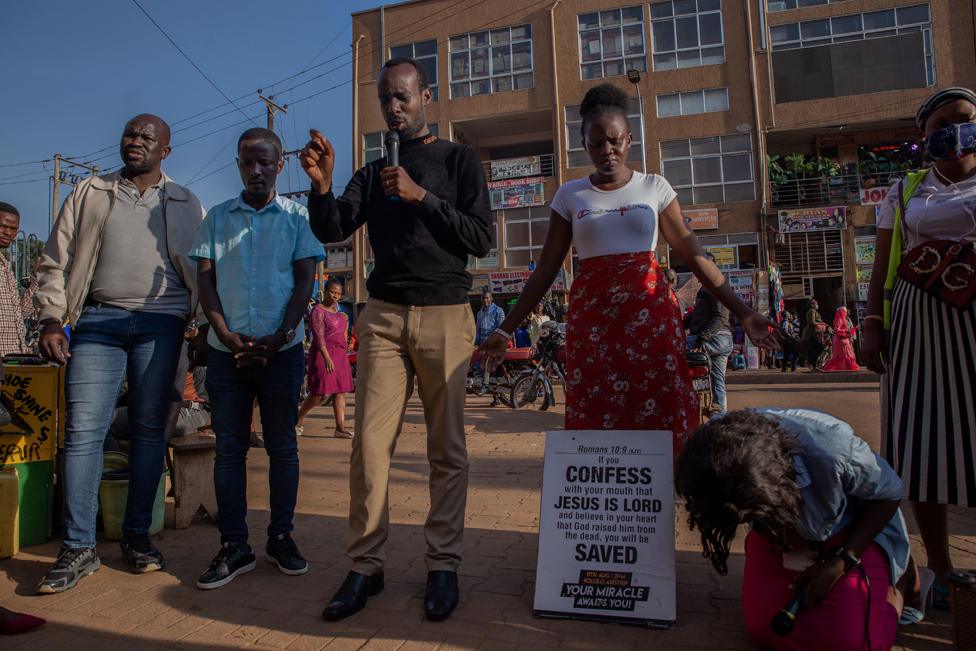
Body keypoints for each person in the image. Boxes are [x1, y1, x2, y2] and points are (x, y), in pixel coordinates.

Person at [301, 57, 492, 622]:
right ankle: (365, 567)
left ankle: (443, 565)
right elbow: (334, 227)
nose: (393, 107)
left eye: (403, 96)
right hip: (383, 316)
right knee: (369, 447)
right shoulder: (370, 169)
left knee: (446, 450)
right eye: (385, 99)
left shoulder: (458, 160)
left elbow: (481, 237)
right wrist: (322, 187)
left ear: (425, 96)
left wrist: (420, 196)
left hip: (444, 313)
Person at [482, 84, 775, 446]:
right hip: (594, 323)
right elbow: (545, 271)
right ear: (584, 144)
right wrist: (505, 328)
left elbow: (695, 256)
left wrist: (744, 312)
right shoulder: (569, 195)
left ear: (629, 139)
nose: (607, 151)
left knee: (660, 405)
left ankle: (662, 491)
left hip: (650, 320)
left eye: (614, 140)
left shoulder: (655, 187)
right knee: (597, 406)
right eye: (596, 144)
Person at [33, 115, 207, 593]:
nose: (135, 142)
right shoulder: (90, 193)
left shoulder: (186, 202)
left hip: (164, 324)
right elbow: (55, 257)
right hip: (98, 321)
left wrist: (205, 328)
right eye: (130, 134)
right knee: (84, 431)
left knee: (152, 433)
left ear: (165, 151)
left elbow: (206, 270)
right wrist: (52, 316)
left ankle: (138, 539)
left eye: (147, 138)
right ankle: (78, 547)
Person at [190, 127, 323, 590]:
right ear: (238, 164)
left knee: (283, 447)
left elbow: (305, 283)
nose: (256, 170)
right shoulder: (217, 220)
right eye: (248, 161)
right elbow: (206, 281)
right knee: (229, 450)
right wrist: (223, 333)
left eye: (265, 161)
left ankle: (281, 536)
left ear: (279, 165)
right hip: (228, 355)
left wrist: (283, 334)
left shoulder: (296, 217)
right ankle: (234, 545)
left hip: (280, 352)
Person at [862, 87, 976, 608]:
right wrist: (872, 323)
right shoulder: (906, 190)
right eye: (940, 125)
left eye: (965, 119)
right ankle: (941, 567)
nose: (953, 131)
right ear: (924, 135)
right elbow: (882, 264)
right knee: (923, 440)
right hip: (919, 326)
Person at [676, 409, 916, 651]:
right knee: (765, 629)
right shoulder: (711, 445)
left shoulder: (832, 450)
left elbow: (890, 494)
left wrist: (842, 561)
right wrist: (777, 532)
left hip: (852, 530)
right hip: (783, 525)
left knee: (851, 643)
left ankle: (905, 580)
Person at [297, 278, 354, 439]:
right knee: (319, 393)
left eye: (338, 293)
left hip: (340, 356)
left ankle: (340, 428)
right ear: (325, 291)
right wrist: (327, 357)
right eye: (332, 292)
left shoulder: (341, 313)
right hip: (323, 355)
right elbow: (319, 336)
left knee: (340, 392)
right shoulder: (318, 311)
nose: (335, 296)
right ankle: (299, 417)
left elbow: (344, 335)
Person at [686, 253, 734, 413]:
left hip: (716, 338)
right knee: (717, 379)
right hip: (721, 340)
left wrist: (701, 339)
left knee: (671, 350)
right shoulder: (708, 288)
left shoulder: (713, 286)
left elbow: (720, 316)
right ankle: (720, 414)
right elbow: (695, 316)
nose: (695, 273)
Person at [0, 202, 36, 357]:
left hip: (11, 358)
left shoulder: (5, 266)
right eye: (2, 226)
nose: (8, 232)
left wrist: (37, 278)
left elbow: (20, 314)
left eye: (13, 229)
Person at [823, 307, 859, 372]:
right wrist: (847, 330)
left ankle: (845, 367)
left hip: (843, 340)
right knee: (845, 355)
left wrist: (854, 329)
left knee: (843, 355)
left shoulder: (843, 320)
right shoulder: (839, 320)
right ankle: (847, 367)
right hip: (841, 340)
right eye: (844, 312)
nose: (846, 313)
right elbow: (837, 330)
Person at [800, 299, 825, 370]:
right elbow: (812, 322)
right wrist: (821, 323)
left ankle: (813, 364)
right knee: (817, 348)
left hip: (813, 334)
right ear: (812, 305)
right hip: (811, 334)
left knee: (814, 349)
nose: (817, 305)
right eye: (815, 304)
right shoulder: (812, 311)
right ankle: (812, 364)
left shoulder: (813, 311)